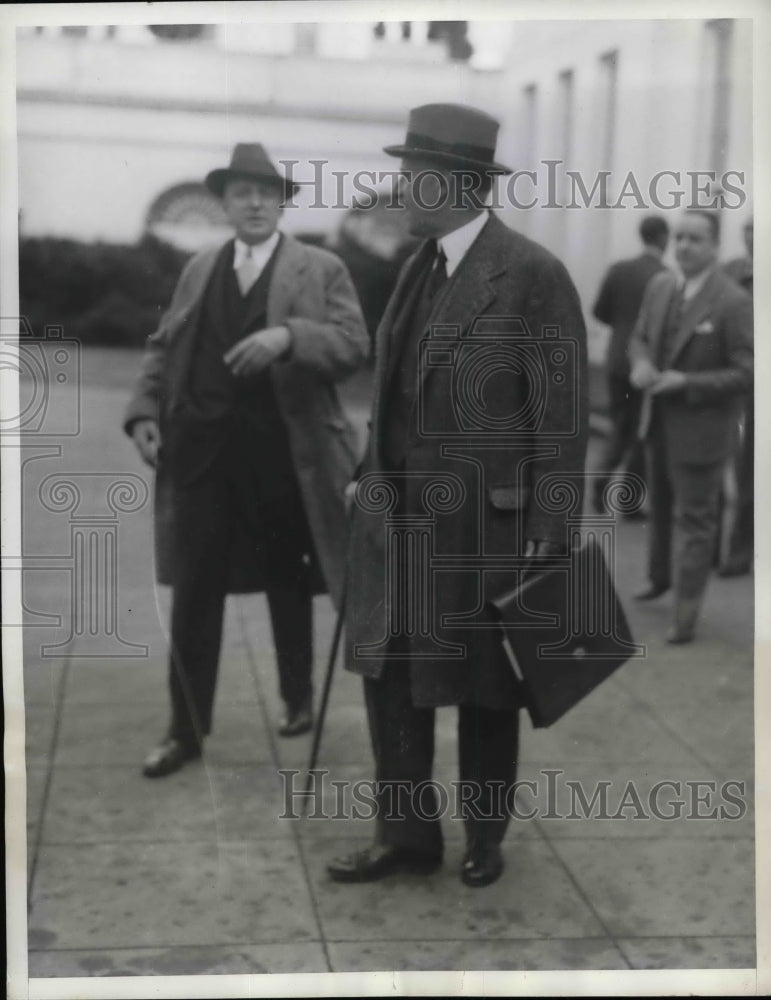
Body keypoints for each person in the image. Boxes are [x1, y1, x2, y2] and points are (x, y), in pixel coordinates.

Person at [326, 104, 588, 888]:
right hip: (402, 521)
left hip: (487, 528)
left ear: (455, 184)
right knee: (392, 683)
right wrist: (370, 474)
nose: (397, 190)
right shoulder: (421, 267)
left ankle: (484, 835)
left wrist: (551, 525)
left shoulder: (532, 274)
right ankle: (404, 837)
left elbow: (562, 412)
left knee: (484, 688)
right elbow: (399, 394)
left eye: (410, 177)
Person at [124, 143, 368, 777]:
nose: (255, 203)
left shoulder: (321, 269)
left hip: (288, 460)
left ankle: (296, 698)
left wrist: (289, 336)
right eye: (241, 193)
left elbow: (352, 345)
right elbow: (164, 346)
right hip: (204, 457)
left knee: (289, 583)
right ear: (225, 203)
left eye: (267, 192)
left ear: (284, 202)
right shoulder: (199, 269)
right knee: (194, 592)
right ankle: (185, 729)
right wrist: (144, 413)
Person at [629, 209, 753, 643]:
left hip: (702, 431)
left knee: (695, 522)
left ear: (716, 246)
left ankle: (685, 613)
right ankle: (660, 579)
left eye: (694, 239)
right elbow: (639, 337)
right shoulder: (661, 285)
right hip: (658, 421)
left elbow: (750, 370)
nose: (682, 246)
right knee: (659, 508)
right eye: (678, 237)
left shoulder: (734, 301)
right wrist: (641, 363)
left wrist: (688, 382)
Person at [591, 215, 670, 516]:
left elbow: (599, 311)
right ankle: (628, 501)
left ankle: (600, 486)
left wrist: (623, 327)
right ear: (663, 237)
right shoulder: (666, 276)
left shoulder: (619, 269)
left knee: (620, 426)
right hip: (645, 363)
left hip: (615, 360)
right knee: (640, 431)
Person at [719, 217, 754, 577]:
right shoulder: (729, 270)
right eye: (748, 227)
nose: (751, 235)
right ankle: (714, 550)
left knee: (751, 473)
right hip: (728, 381)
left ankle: (740, 552)